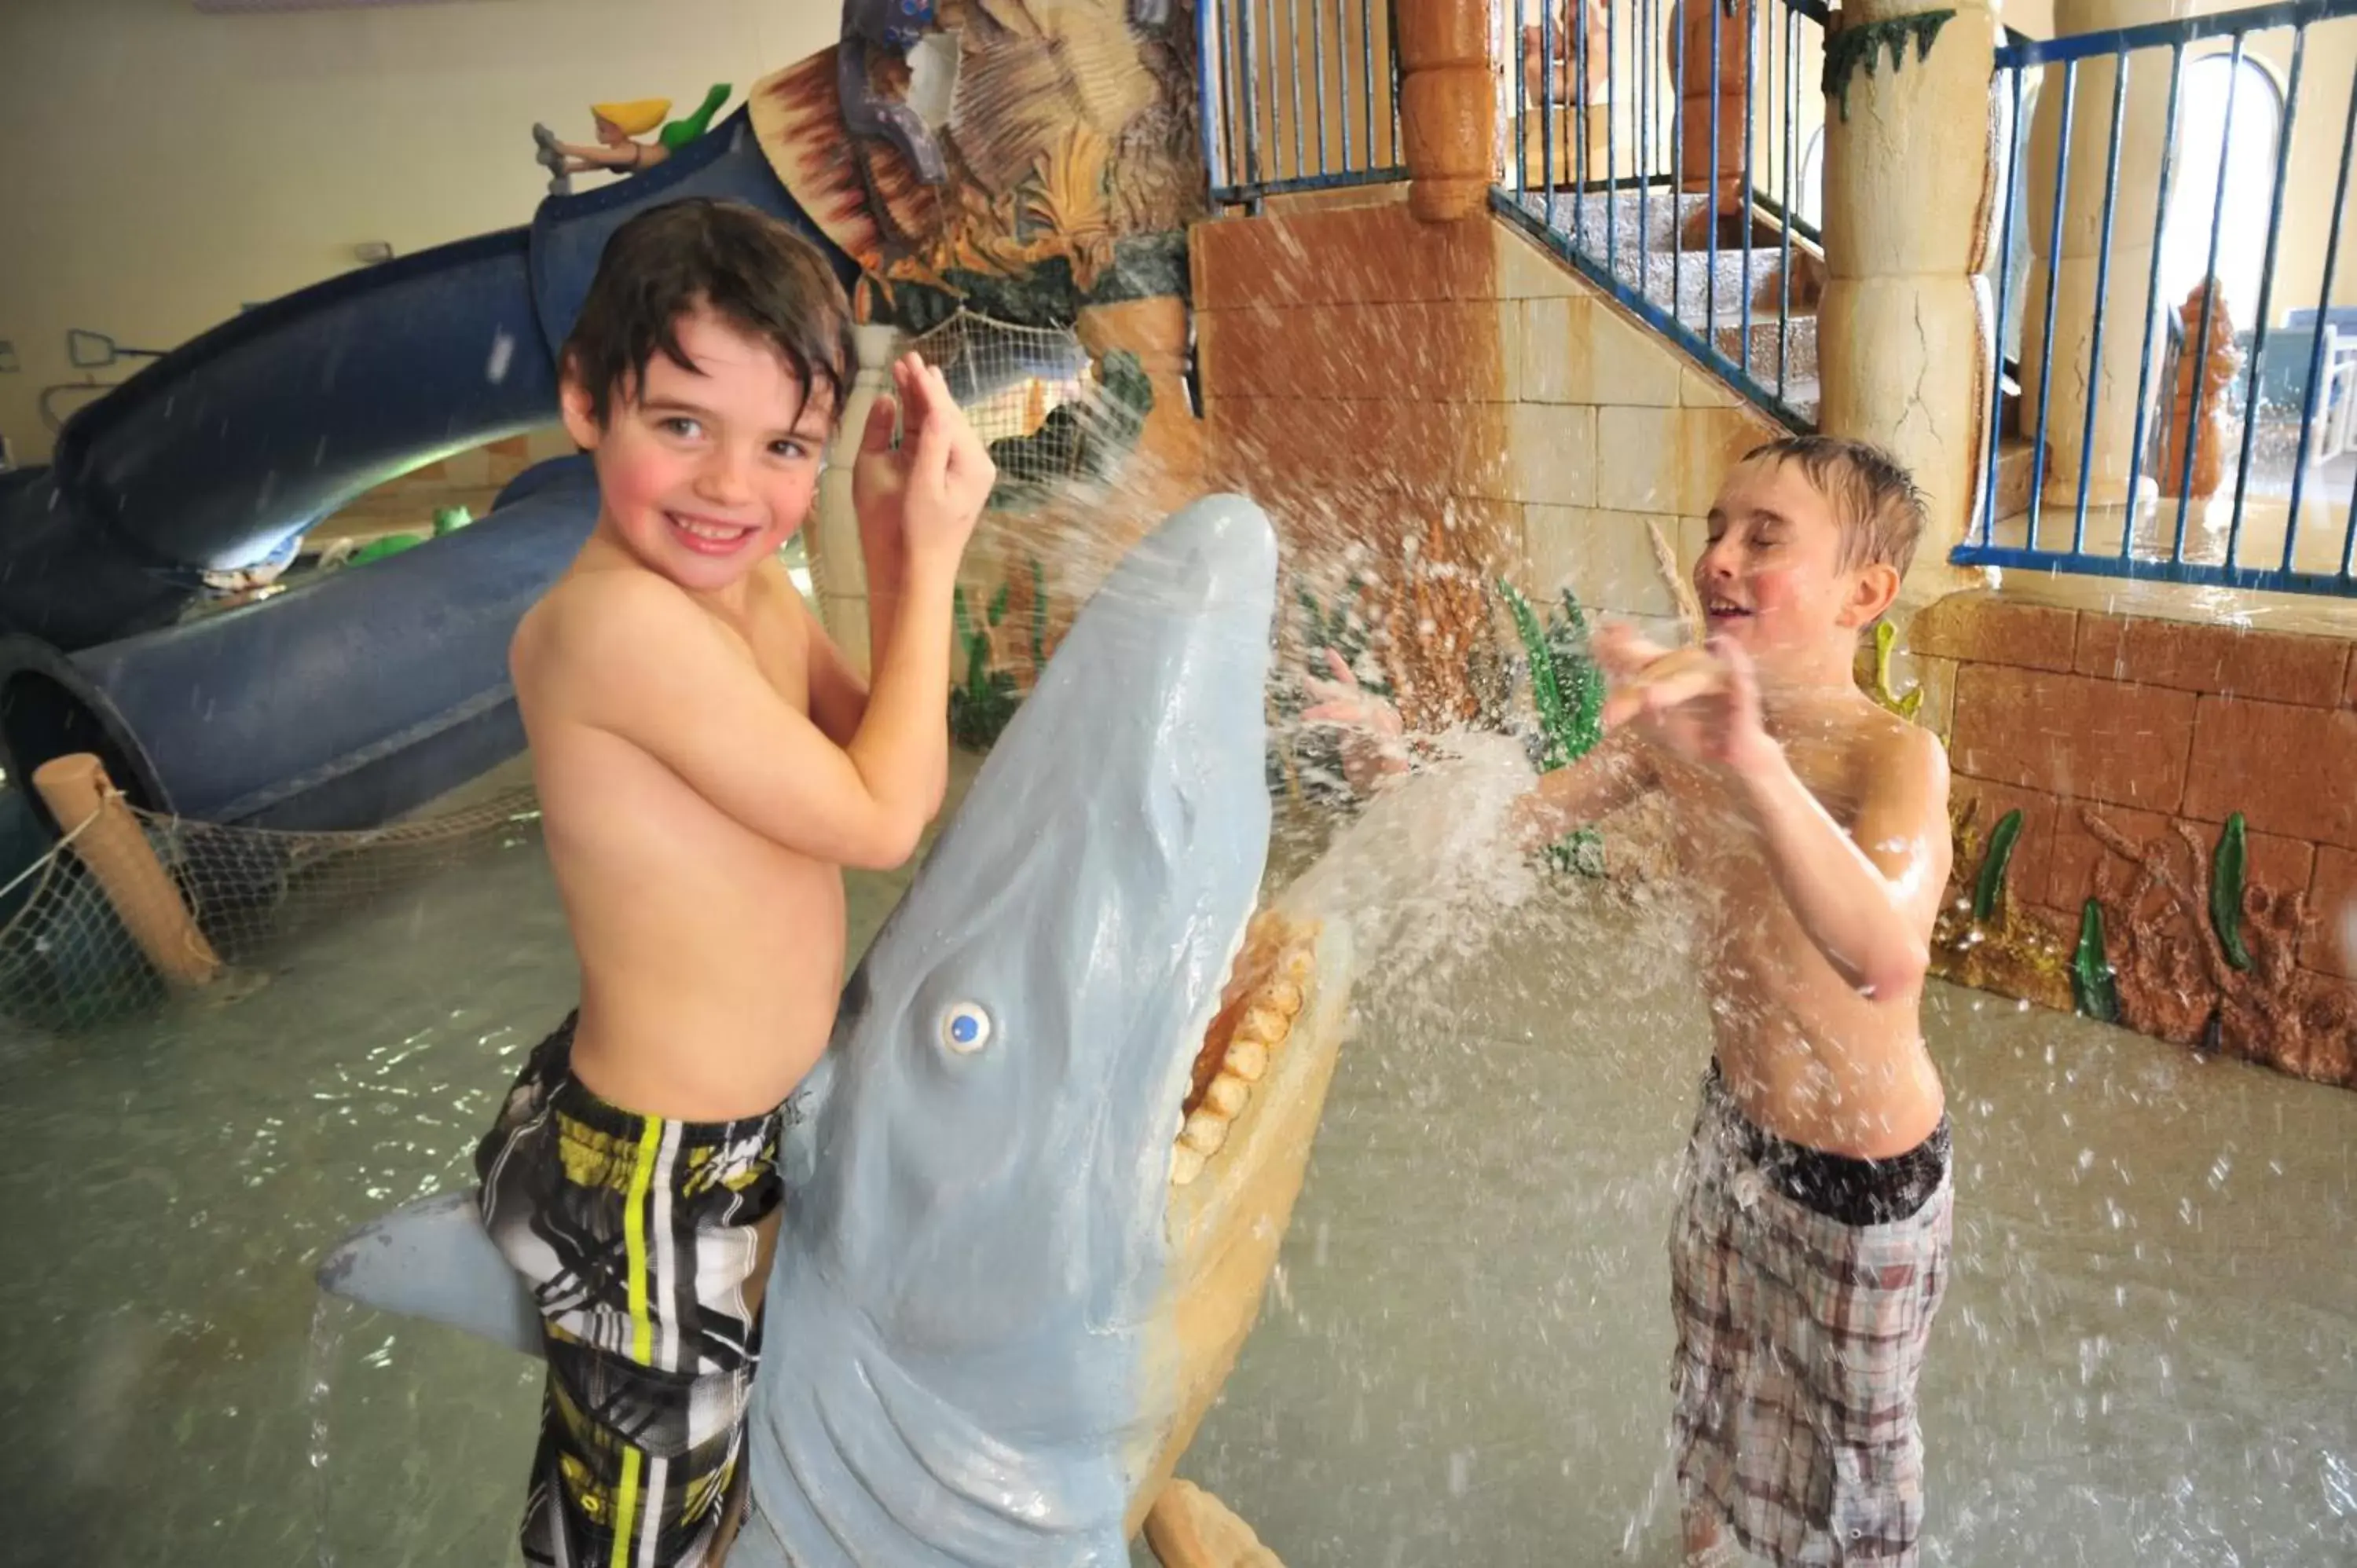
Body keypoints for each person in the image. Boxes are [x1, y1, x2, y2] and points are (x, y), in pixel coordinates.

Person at [1309, 434, 1955, 1566]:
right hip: (1734, 1133)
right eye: (1716, 529)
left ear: (1866, 591)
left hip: (1866, 1183)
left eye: (1766, 537)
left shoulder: (1891, 757)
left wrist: (1755, 762)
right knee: (1711, 1393)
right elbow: (1505, 833)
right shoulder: (1675, 731)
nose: (1719, 558)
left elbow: (1885, 958)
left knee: (1852, 1466)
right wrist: (1388, 767)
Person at [473, 196, 992, 1567]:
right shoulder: (610, 629)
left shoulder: (748, 592)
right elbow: (883, 821)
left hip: (727, 1146)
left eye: (783, 448)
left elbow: (875, 739)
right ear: (589, 401)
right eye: (682, 425)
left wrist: (883, 550)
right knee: (639, 1543)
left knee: (688, 1496)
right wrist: (934, 558)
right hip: (654, 1181)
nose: (729, 490)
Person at [533, 85, 732, 193]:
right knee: (699, 121)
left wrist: (563, 148)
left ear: (618, 130)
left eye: (602, 129)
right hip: (665, 143)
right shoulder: (620, 149)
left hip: (675, 140)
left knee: (701, 119)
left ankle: (715, 99)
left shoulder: (626, 153)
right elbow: (598, 163)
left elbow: (597, 156)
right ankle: (713, 101)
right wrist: (569, 168)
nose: (598, 133)